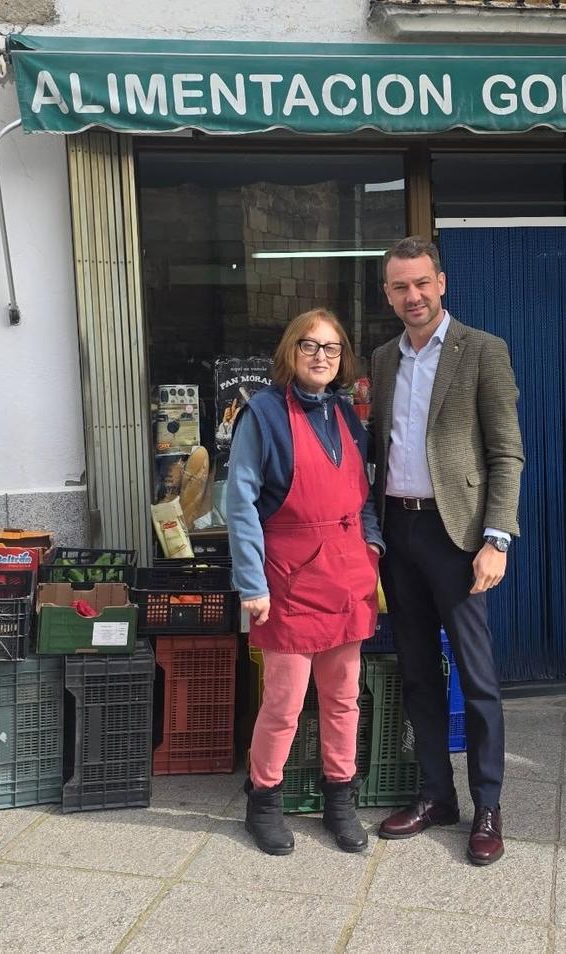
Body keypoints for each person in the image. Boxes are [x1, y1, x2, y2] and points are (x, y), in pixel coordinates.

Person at [370, 236, 523, 866]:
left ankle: (487, 804)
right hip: (397, 535)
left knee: (477, 678)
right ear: (389, 294)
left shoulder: (482, 351)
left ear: (443, 282)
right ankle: (438, 794)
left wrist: (497, 538)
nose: (414, 296)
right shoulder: (381, 360)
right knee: (416, 675)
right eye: (400, 287)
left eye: (422, 283)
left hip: (457, 538)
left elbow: (505, 452)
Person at [225, 308, 383, 857]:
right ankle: (263, 798)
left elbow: (363, 496)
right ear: (291, 353)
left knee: (343, 699)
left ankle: (341, 799)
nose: (321, 356)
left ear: (342, 360)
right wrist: (251, 582)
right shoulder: (263, 414)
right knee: (285, 702)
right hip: (287, 579)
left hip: (346, 575)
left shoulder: (347, 415)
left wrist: (372, 544)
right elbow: (239, 504)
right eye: (310, 346)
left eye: (332, 348)